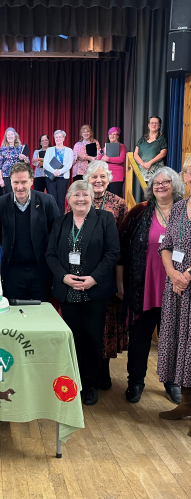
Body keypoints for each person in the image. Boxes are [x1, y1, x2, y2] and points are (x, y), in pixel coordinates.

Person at [46, 180, 120, 405]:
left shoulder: (105, 219)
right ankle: (74, 383)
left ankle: (91, 385)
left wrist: (93, 279)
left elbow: (112, 252)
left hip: (93, 291)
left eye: (85, 195)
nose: (81, 199)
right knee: (72, 339)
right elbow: (50, 255)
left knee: (93, 340)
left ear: (91, 197)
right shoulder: (60, 222)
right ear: (69, 199)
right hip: (68, 292)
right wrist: (63, 277)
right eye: (76, 195)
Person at [119, 167, 184, 403]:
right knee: (139, 339)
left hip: (176, 287)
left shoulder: (185, 211)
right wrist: (120, 282)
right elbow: (122, 247)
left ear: (175, 185)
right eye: (156, 183)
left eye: (166, 182)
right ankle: (135, 383)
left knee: (172, 339)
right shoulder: (139, 212)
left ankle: (172, 382)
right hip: (143, 287)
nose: (160, 186)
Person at [83, 161, 128, 389]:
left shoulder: (119, 204)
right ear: (87, 179)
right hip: (82, 273)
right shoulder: (79, 199)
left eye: (102, 177)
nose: (98, 181)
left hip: (109, 272)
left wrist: (120, 281)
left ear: (109, 179)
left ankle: (104, 372)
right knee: (87, 324)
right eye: (94, 177)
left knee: (106, 325)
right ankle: (86, 372)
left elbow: (122, 244)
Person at [0, 162, 59, 301]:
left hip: (41, 270)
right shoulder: (0, 204)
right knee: (15, 318)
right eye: (15, 182)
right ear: (10, 182)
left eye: (24, 182)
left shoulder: (47, 201)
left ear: (31, 181)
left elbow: (56, 235)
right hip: (12, 272)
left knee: (40, 318)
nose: (19, 187)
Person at [157, 184, 191, 424]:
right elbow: (166, 245)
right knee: (179, 344)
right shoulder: (179, 207)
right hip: (176, 289)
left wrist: (187, 275)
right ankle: (186, 403)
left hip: (187, 282)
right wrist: (171, 272)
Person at [43, 130, 73, 214]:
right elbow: (45, 163)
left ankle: (60, 220)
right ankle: (52, 220)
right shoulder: (49, 150)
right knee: (52, 199)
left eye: (60, 137)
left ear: (63, 138)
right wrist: (53, 171)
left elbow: (69, 164)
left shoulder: (69, 150)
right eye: (56, 137)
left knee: (60, 200)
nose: (58, 139)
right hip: (50, 178)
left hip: (63, 178)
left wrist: (59, 172)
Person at [134, 116, 167, 181]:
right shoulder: (142, 139)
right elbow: (135, 154)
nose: (153, 125)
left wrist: (149, 163)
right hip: (142, 172)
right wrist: (143, 164)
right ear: (148, 125)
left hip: (156, 173)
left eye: (156, 123)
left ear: (159, 125)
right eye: (152, 123)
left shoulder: (162, 139)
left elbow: (163, 153)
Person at [0, 127, 30, 194]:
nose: (10, 136)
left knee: (17, 195)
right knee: (8, 197)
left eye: (12, 134)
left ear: (15, 136)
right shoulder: (3, 148)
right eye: (8, 135)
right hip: (6, 177)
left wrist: (24, 157)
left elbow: (27, 162)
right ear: (6, 137)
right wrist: (1, 180)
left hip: (18, 176)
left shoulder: (20, 147)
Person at [100, 127, 127, 197]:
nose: (112, 136)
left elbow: (121, 159)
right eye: (110, 134)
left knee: (115, 199)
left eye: (114, 134)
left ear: (117, 136)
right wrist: (102, 159)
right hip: (106, 176)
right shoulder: (105, 148)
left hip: (117, 176)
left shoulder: (121, 146)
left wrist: (108, 159)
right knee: (106, 199)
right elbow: (99, 160)